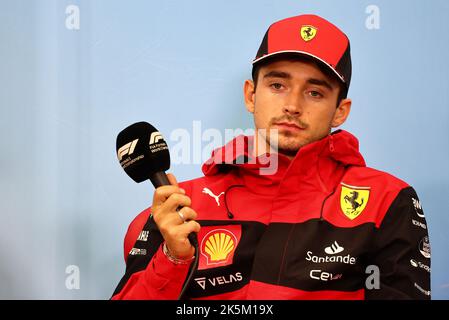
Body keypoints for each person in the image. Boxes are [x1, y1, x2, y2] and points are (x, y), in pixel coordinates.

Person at [111, 14, 431, 300]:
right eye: (278, 84)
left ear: (340, 111)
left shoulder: (386, 201)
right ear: (251, 95)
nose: (292, 104)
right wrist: (172, 259)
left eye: (314, 92)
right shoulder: (177, 208)